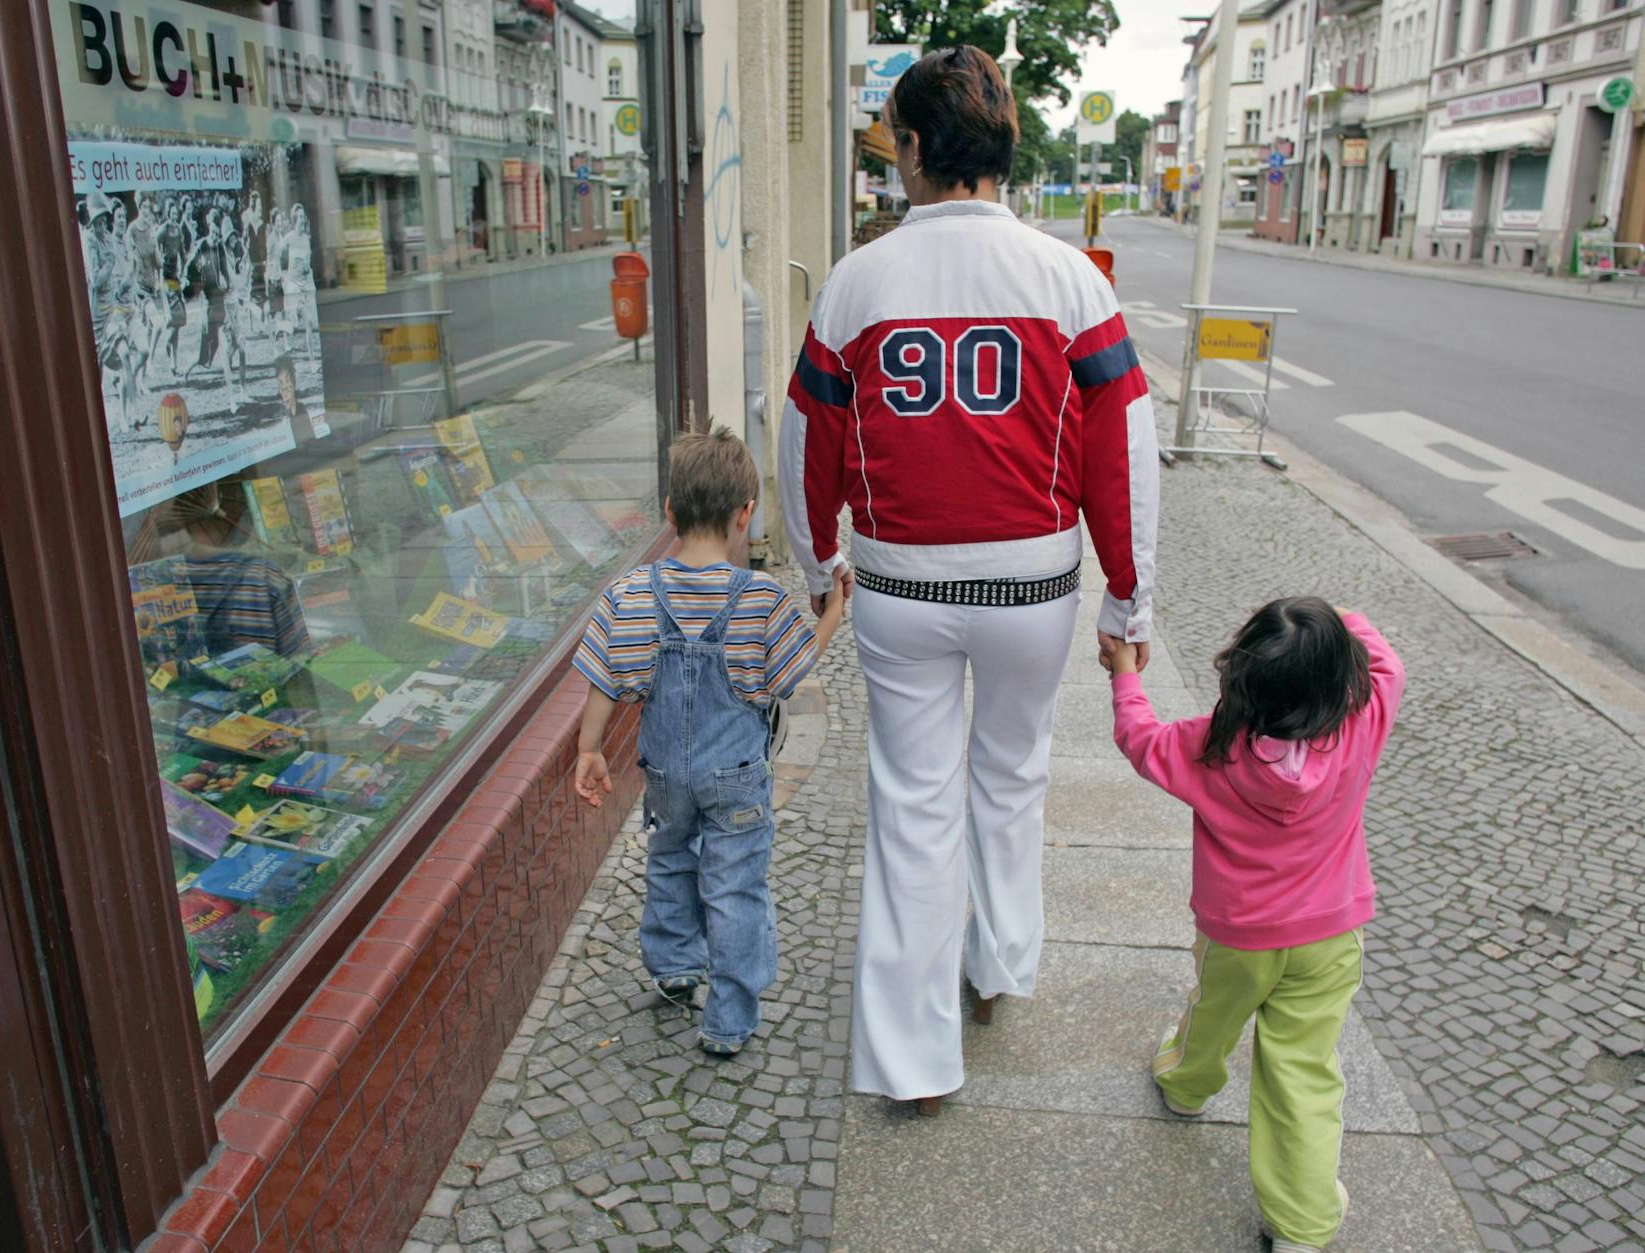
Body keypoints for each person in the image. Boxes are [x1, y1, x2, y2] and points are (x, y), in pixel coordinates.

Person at [777, 44, 1158, 1113]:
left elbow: (804, 442)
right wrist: (1127, 599)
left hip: (900, 583)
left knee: (912, 803)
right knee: (1012, 774)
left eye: (891, 140)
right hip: (1031, 584)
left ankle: (910, 1057)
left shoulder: (856, 282)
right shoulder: (1070, 281)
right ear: (1002, 147)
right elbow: (1123, 453)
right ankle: (998, 964)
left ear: (910, 147)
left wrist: (820, 561)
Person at [1108, 598, 1404, 1253]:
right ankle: (1301, 1222)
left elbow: (1139, 738)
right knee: (1302, 1071)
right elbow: (1387, 661)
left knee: (1212, 1013)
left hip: (1237, 933)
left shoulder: (1209, 744)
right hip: (1330, 934)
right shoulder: (1365, 718)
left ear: (1241, 677)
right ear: (1343, 678)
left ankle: (1186, 1085)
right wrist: (1337, 619)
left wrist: (1124, 674)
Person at [572, 430, 847, 1058]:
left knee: (670, 858)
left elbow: (606, 677)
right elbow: (791, 673)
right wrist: (832, 612)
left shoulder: (631, 593)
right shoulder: (761, 599)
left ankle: (674, 967)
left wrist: (589, 749)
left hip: (666, 772)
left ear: (670, 511)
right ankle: (728, 1018)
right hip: (737, 777)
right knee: (735, 886)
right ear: (745, 514)